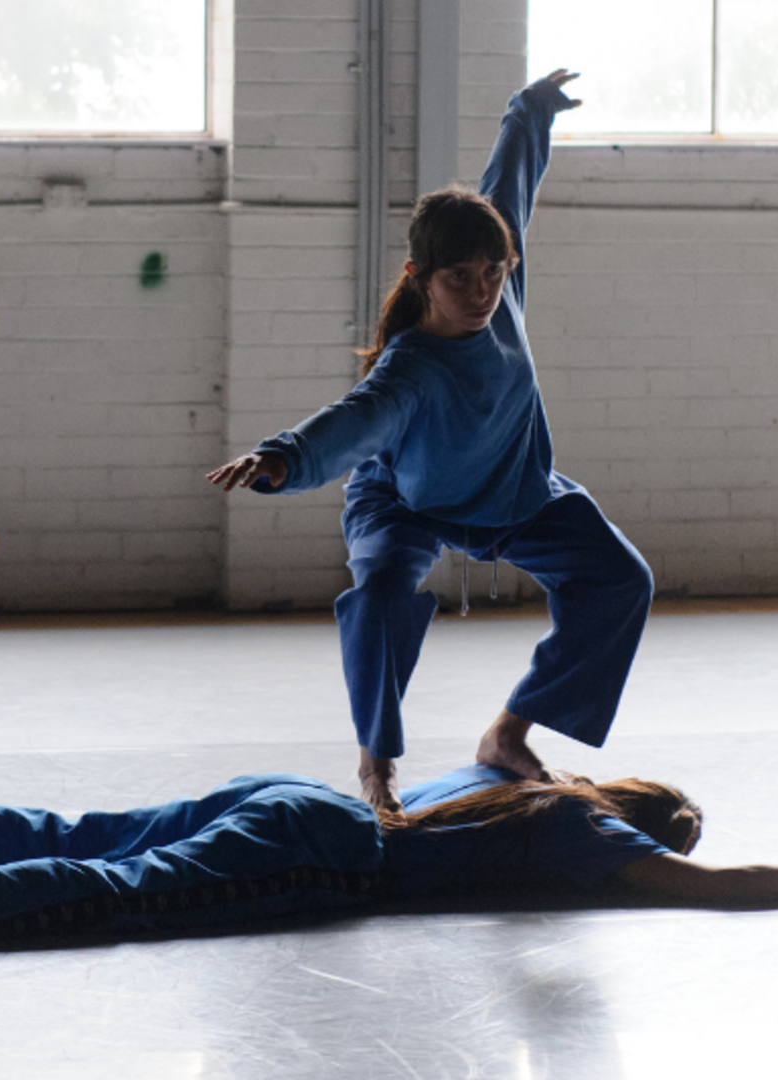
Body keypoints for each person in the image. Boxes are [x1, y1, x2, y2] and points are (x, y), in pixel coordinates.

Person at [207, 70, 654, 814]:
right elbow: (355, 420)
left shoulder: (501, 289)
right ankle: (376, 765)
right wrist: (283, 456)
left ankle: (508, 734)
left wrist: (531, 109)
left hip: (514, 492)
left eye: (492, 272)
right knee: (379, 596)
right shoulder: (409, 367)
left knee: (621, 580)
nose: (481, 291)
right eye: (459, 278)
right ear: (420, 277)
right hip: (407, 500)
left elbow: (507, 181)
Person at [0, 766, 778, 960]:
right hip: (328, 856)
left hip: (295, 789)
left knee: (83, 832)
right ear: (649, 821)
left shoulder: (515, 783)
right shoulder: (590, 834)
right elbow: (727, 893)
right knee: (126, 893)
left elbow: (506, 728)